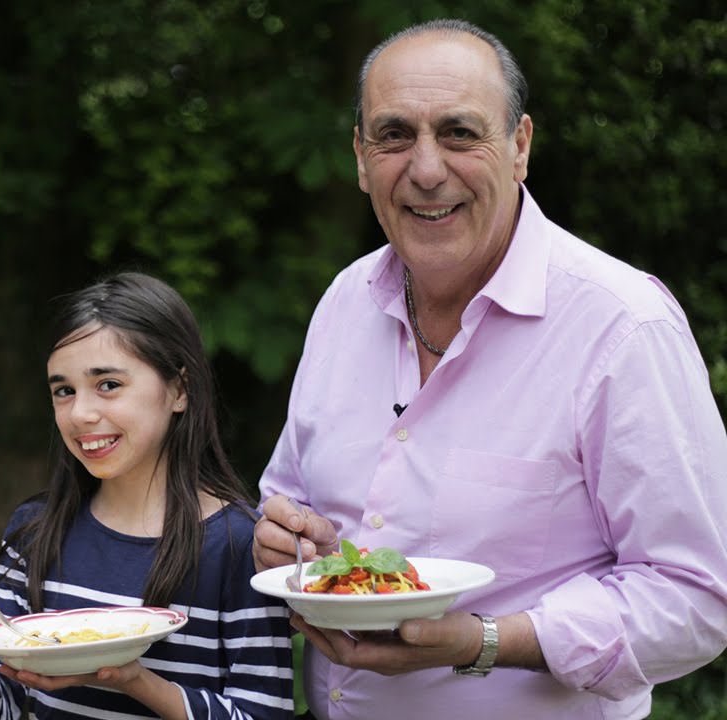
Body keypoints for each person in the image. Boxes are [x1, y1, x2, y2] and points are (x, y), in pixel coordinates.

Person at [251, 17, 727, 720]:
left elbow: (699, 597)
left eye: (459, 133)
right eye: (393, 136)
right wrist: (284, 536)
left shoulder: (622, 327)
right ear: (359, 157)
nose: (426, 168)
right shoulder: (346, 300)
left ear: (520, 147)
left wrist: (485, 642)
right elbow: (290, 495)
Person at [0, 272, 294, 719]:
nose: (82, 413)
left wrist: (138, 682)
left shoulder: (241, 545)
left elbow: (264, 713)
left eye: (108, 384)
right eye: (64, 391)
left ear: (180, 389)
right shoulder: (34, 531)